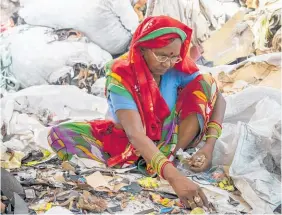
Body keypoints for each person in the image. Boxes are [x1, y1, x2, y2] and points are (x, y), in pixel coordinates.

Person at [48, 16, 226, 209]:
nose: (168, 63)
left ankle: (168, 156)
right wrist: (175, 178)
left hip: (171, 138)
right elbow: (135, 134)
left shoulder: (175, 68)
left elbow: (219, 98)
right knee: (59, 134)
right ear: (142, 48)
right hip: (130, 141)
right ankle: (163, 162)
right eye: (162, 55)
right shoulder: (121, 75)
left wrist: (208, 147)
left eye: (174, 56)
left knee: (205, 82)